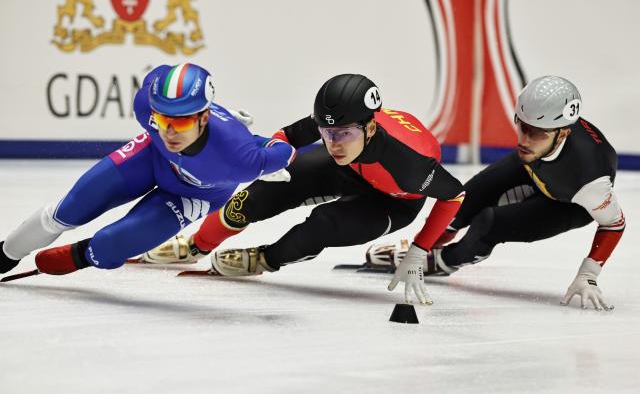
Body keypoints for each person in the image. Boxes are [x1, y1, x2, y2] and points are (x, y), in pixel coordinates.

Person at [143, 74, 466, 305]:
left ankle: (266, 259)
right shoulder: (338, 122)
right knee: (254, 197)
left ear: (370, 127)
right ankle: (197, 245)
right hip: (352, 169)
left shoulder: (408, 164)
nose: (333, 142)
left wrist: (420, 249)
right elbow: (285, 136)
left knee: (323, 224)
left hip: (393, 201)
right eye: (326, 132)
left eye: (343, 134)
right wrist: (266, 159)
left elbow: (455, 194)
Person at [0, 63, 296, 277]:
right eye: (162, 119)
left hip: (194, 195)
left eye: (180, 123)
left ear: (204, 118)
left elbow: (284, 151)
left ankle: (83, 254)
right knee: (67, 211)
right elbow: (161, 74)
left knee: (109, 246)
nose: (169, 132)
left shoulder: (239, 158)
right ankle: (4, 254)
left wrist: (264, 149)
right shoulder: (146, 107)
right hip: (151, 159)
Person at [389, 75, 622, 311]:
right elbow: (533, 140)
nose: (525, 139)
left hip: (568, 203)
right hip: (537, 167)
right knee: (463, 200)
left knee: (489, 223)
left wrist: (588, 274)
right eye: (522, 126)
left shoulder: (591, 182)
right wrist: (420, 248)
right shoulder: (537, 142)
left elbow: (614, 224)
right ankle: (423, 249)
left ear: (562, 134)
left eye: (537, 133)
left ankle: (442, 262)